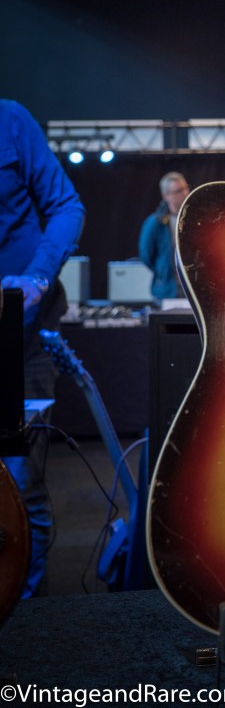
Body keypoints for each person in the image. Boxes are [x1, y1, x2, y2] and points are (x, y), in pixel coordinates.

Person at [0, 98, 86, 597]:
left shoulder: (11, 120)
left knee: (21, 486)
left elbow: (67, 206)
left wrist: (37, 276)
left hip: (21, 334)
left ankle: (29, 619)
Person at [138, 171, 190, 300]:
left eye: (185, 188)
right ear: (166, 196)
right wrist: (162, 271)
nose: (184, 193)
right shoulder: (155, 223)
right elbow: (146, 256)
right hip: (167, 291)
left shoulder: (196, 219)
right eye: (178, 191)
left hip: (193, 291)